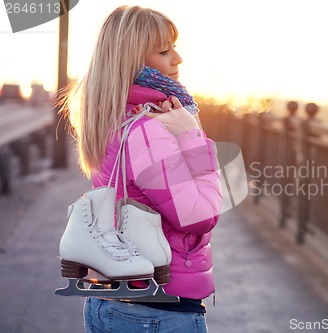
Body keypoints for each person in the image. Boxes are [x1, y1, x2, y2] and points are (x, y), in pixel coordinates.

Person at [62, 5, 222, 333]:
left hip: (112, 301)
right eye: (164, 50)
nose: (177, 58)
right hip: (156, 310)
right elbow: (199, 216)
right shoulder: (148, 129)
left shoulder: (114, 116)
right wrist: (192, 136)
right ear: (133, 60)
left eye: (175, 47)